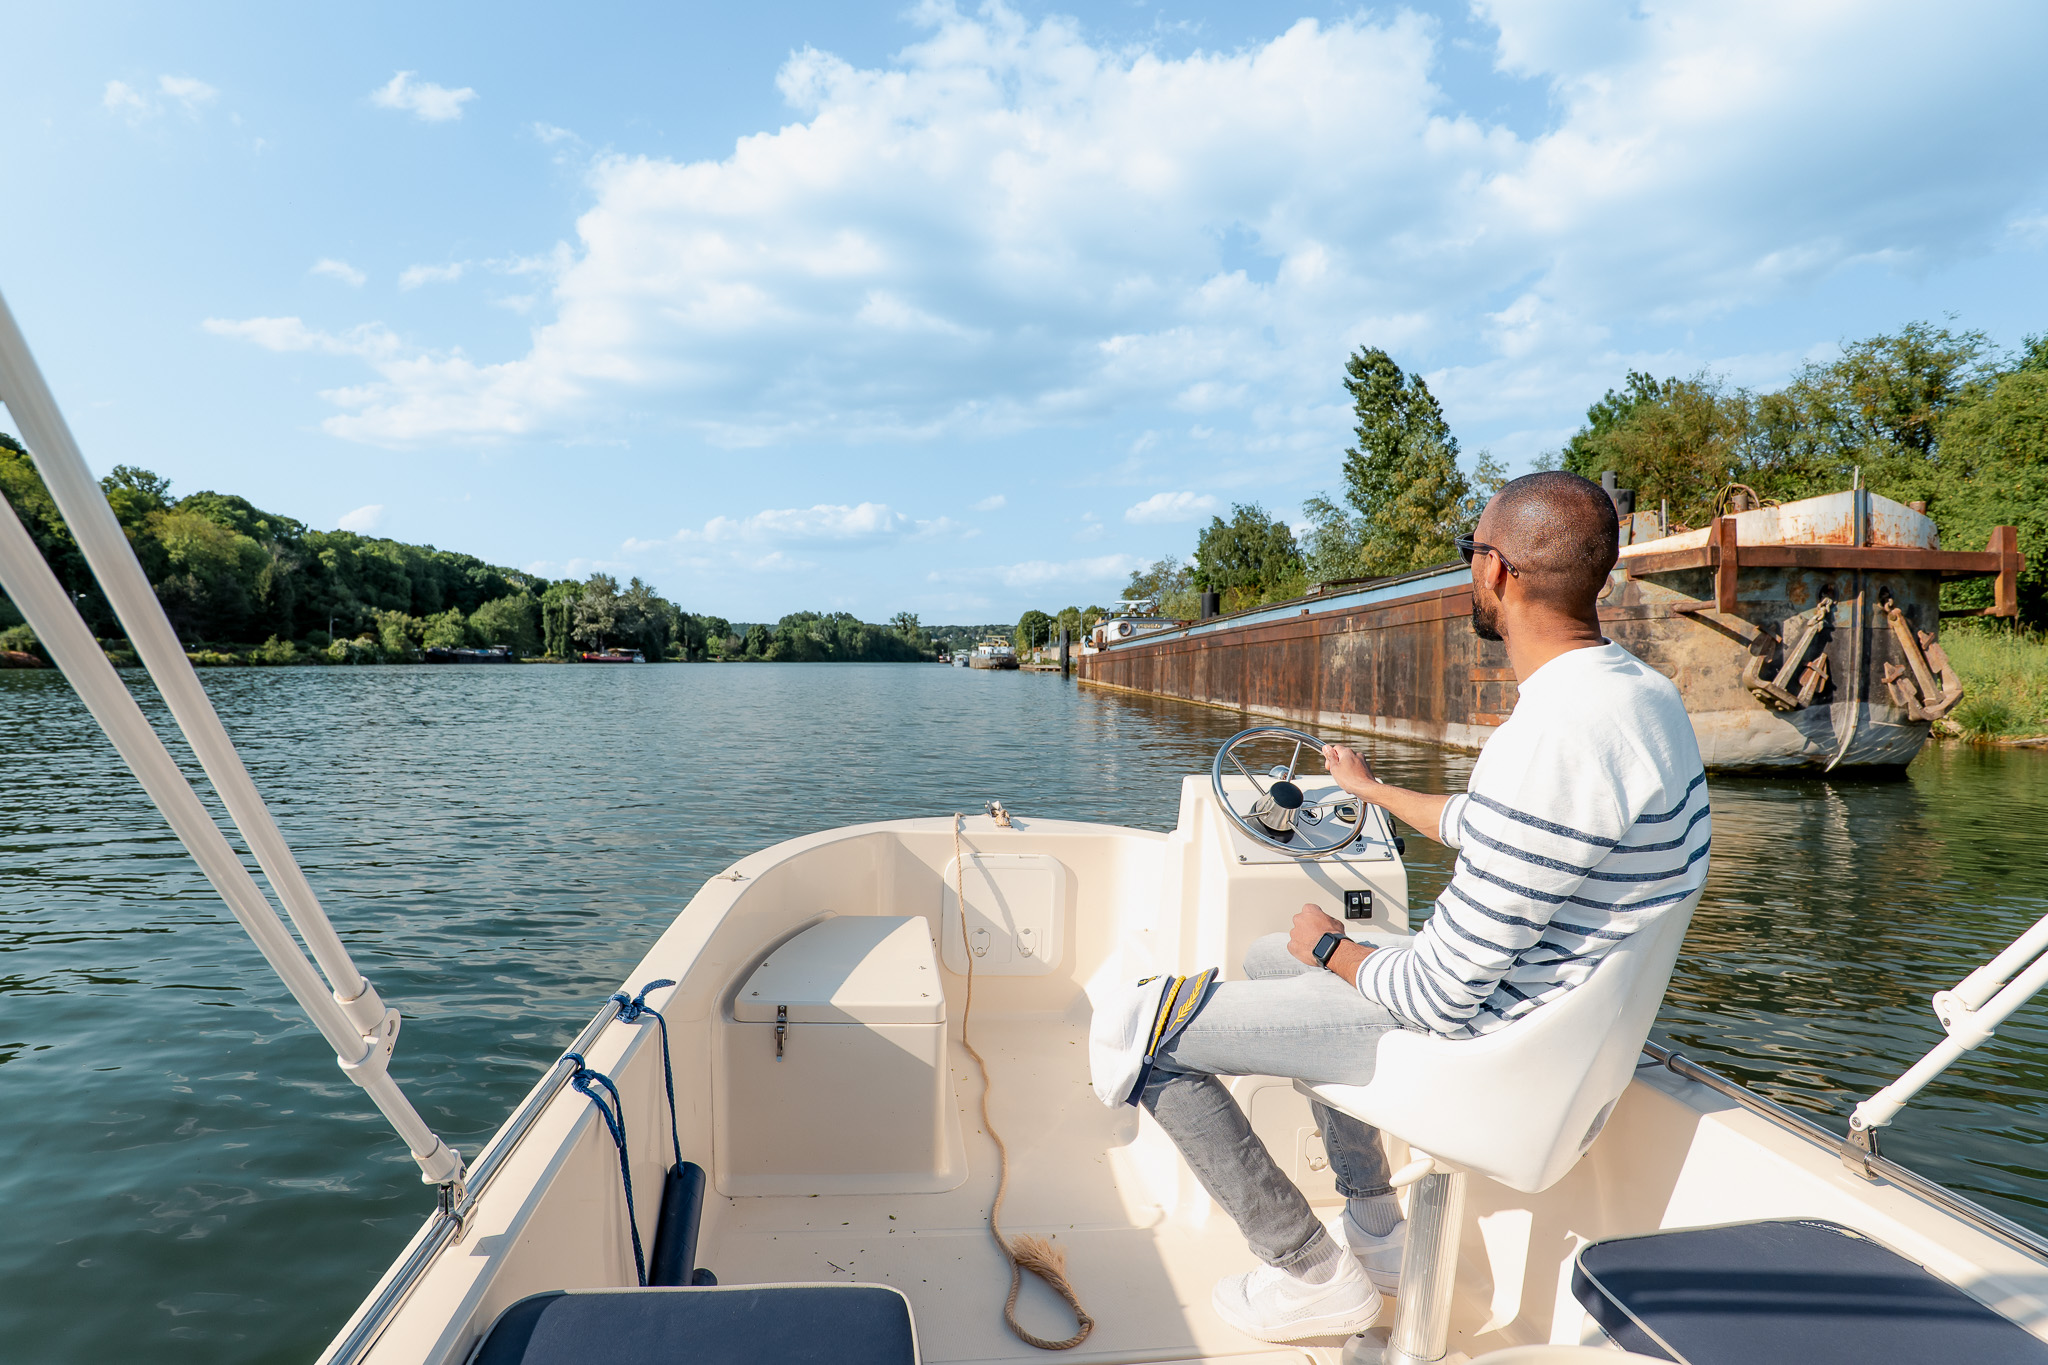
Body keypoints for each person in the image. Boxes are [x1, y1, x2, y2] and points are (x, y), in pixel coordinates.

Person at [1140, 470, 1712, 1343]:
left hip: (1482, 1046)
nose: (1466, 571)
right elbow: (1503, 830)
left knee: (1145, 1030)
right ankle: (1374, 1225)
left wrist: (1333, 945)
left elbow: (1440, 993)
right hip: (1560, 1030)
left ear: (1498, 573)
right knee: (1267, 954)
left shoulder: (1545, 742)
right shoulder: (1640, 698)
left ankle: (1306, 1270)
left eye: (1468, 552)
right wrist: (1369, 789)